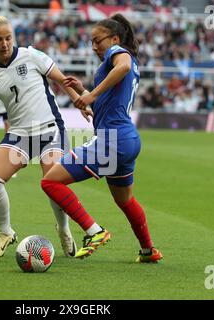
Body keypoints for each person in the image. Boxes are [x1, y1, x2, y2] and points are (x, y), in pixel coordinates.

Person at [41, 14, 163, 263]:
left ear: (115, 39)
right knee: (125, 200)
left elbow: (124, 65)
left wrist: (90, 94)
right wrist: (83, 92)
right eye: (92, 42)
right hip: (127, 140)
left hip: (112, 141)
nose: (94, 46)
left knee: (50, 181)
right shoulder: (113, 62)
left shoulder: (119, 53)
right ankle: (148, 250)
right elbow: (110, 103)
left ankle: (94, 231)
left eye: (98, 41)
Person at [0, 15, 82, 259]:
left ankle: (63, 229)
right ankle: (6, 232)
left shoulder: (31, 56)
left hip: (50, 128)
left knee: (53, 183)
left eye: (8, 38)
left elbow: (62, 80)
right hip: (19, 134)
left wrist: (79, 101)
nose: (4, 43)